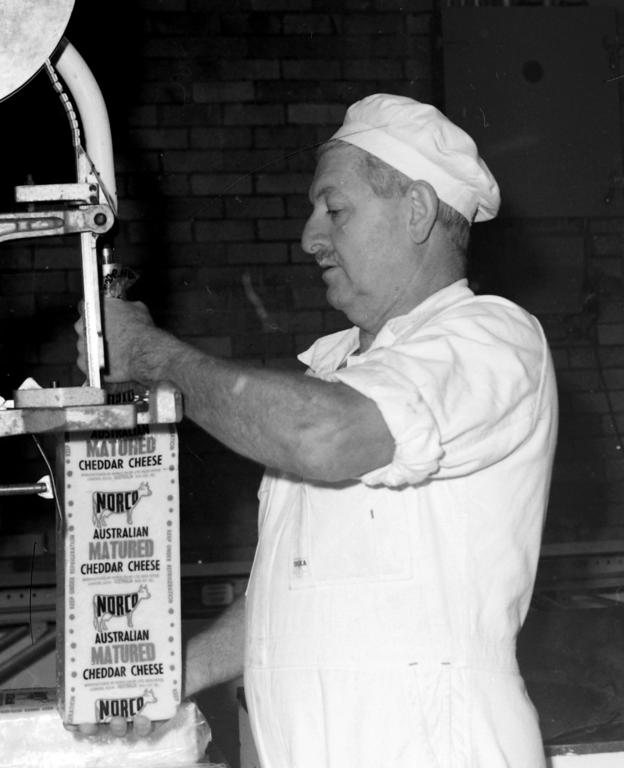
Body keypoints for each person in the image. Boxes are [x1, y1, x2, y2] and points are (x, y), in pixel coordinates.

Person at [75, 93, 558, 767]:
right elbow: (299, 601)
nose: (309, 236)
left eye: (335, 210)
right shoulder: (334, 368)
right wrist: (170, 675)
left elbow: (321, 437)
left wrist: (151, 357)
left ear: (416, 211)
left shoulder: (490, 341)